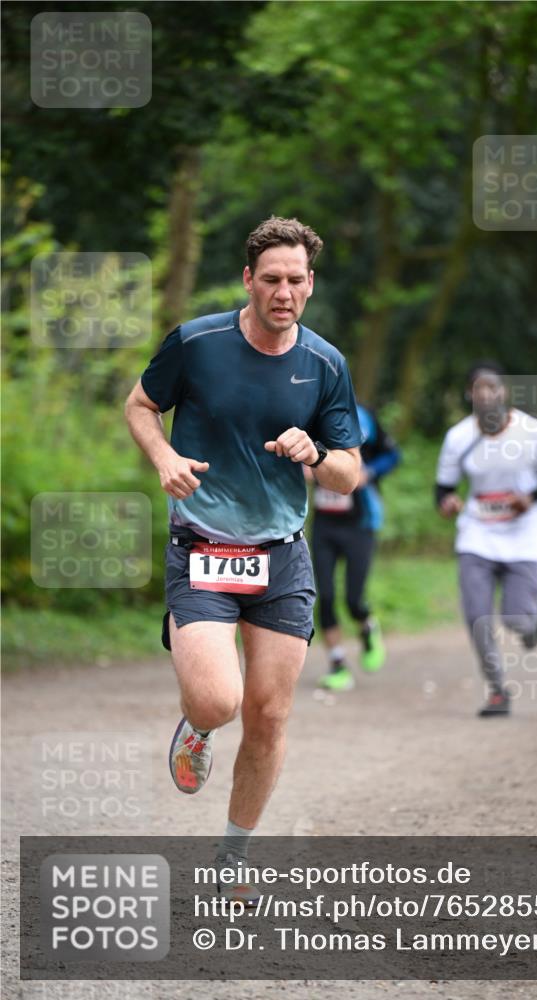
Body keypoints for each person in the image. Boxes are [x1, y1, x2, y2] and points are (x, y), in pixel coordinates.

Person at [125, 217, 361, 897]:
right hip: (201, 545)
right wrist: (164, 456)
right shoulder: (196, 344)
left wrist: (315, 452)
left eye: (295, 280)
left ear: (309, 285)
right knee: (217, 700)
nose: (282, 292)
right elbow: (141, 405)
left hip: (281, 558)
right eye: (271, 279)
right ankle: (197, 727)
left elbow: (348, 472)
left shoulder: (324, 364)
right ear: (247, 281)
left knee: (270, 715)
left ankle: (232, 862)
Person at [435, 363, 537, 717]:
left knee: (516, 619)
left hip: (526, 537)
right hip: (477, 535)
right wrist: (447, 502)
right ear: (470, 394)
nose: (485, 394)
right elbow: (444, 487)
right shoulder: (459, 437)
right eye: (478, 388)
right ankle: (498, 690)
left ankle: (531, 623)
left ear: (503, 392)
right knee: (476, 615)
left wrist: (532, 497)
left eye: (492, 387)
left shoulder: (533, 431)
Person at [309, 403, 400, 691]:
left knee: (353, 599)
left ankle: (367, 626)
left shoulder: (363, 417)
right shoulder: (305, 413)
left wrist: (368, 473)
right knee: (324, 595)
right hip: (324, 523)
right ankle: (337, 666)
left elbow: (393, 456)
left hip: (360, 523)